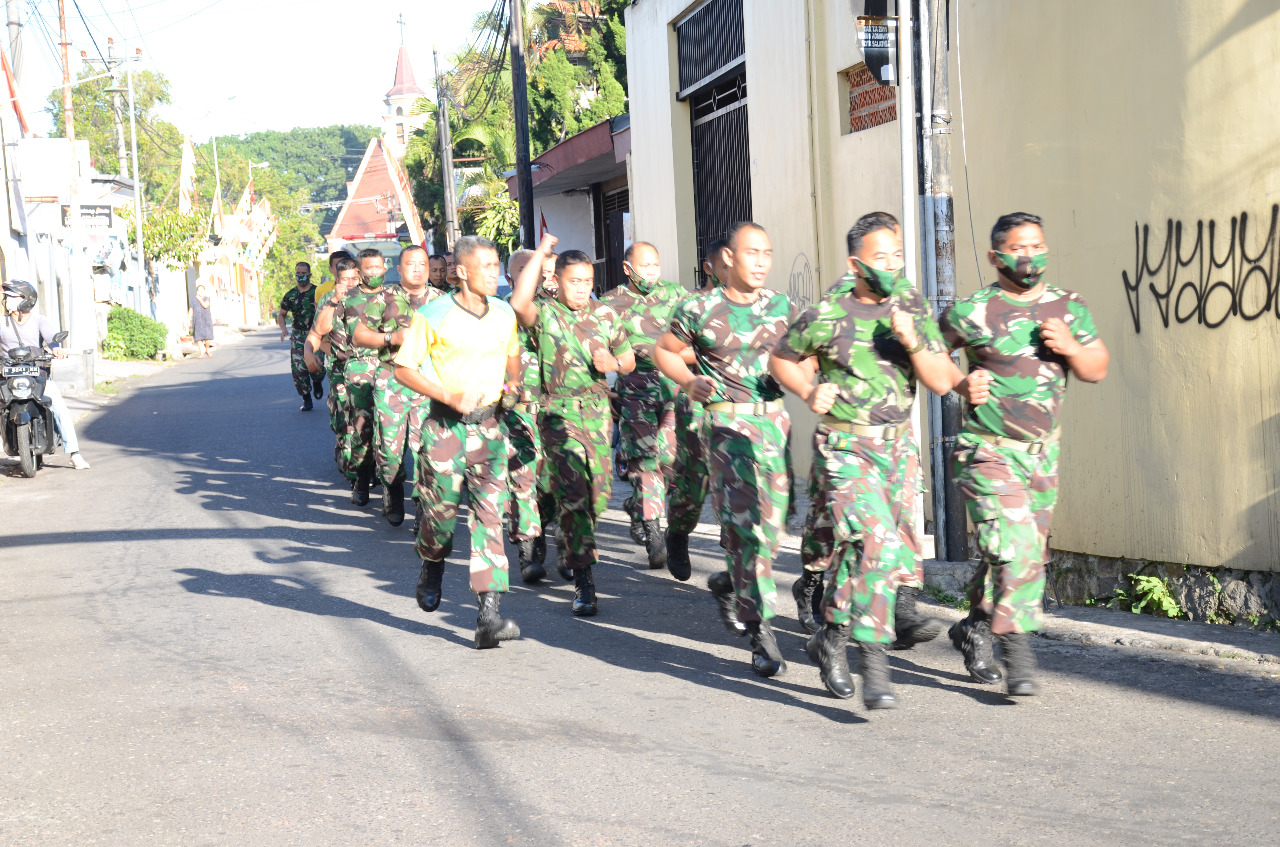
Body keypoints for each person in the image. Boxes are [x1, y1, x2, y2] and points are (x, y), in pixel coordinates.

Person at [771, 212, 984, 709]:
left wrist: (913, 341)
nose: (891, 265)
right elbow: (781, 357)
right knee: (879, 545)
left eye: (897, 255)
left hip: (897, 448)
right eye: (880, 257)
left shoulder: (909, 301)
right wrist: (807, 388)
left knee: (868, 554)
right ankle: (875, 665)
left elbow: (936, 377)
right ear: (855, 263)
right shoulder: (829, 311)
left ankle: (831, 638)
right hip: (845, 446)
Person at [940, 212, 1108, 696]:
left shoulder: (1067, 306)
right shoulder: (972, 312)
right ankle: (1017, 650)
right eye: (1019, 247)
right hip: (988, 451)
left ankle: (974, 626)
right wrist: (959, 381)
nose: (1030, 255)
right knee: (1013, 547)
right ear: (996, 257)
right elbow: (929, 353)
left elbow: (1097, 367)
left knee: (1018, 554)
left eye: (1037, 245)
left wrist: (1072, 347)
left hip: (1041, 456)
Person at [654, 222, 793, 678]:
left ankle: (729, 582)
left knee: (770, 533)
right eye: (752, 253)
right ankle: (761, 635)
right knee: (747, 529)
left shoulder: (781, 306)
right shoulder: (699, 307)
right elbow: (665, 352)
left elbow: (804, 355)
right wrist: (689, 380)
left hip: (773, 424)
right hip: (727, 426)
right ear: (728, 258)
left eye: (767, 253)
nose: (760, 262)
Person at [393, 235, 523, 649]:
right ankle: (432, 564)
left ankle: (489, 612)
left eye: (496, 265)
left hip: (489, 431)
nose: (494, 272)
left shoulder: (504, 313)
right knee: (439, 519)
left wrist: (513, 388)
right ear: (462, 272)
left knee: (490, 518)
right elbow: (403, 369)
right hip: (445, 430)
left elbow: (513, 360)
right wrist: (448, 396)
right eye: (485, 266)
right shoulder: (434, 314)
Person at [510, 235, 635, 617]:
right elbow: (518, 302)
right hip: (557, 412)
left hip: (597, 411)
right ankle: (584, 581)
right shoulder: (544, 313)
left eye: (587, 281)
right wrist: (542, 253)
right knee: (577, 493)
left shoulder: (606, 315)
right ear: (557, 281)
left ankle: (548, 513)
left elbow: (628, 360)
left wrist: (610, 365)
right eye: (574, 281)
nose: (582, 288)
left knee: (598, 494)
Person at [602, 242, 686, 572]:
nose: (651, 272)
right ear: (627, 268)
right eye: (644, 266)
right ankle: (654, 535)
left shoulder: (676, 295)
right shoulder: (610, 303)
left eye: (655, 265)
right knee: (646, 461)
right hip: (634, 390)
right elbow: (597, 345)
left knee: (669, 460)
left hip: (672, 386)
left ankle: (639, 505)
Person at [353, 245, 442, 527]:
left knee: (424, 450)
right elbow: (360, 335)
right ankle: (392, 489)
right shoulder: (383, 298)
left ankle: (422, 509)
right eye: (411, 264)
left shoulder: (442, 300)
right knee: (391, 451)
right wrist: (392, 338)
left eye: (423, 264)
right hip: (392, 379)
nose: (417, 268)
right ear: (399, 269)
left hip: (427, 381)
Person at [665, 238, 730, 583]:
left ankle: (733, 542)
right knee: (692, 482)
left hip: (737, 406)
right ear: (709, 267)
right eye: (723, 266)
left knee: (734, 479)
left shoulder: (750, 305)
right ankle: (678, 533)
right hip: (696, 403)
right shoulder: (692, 304)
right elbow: (674, 350)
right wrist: (715, 350)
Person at [502, 248, 557, 583]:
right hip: (517, 409)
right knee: (522, 478)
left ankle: (541, 527)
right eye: (526, 270)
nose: (535, 276)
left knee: (550, 482)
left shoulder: (558, 311)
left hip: (555, 410)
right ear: (510, 277)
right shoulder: (498, 311)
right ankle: (527, 550)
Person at [0, 280, 89, 469]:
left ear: (25, 300)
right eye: (6, 297)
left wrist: (57, 349)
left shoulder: (39, 320)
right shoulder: (2, 322)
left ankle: (74, 453)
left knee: (59, 407)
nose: (7, 300)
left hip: (36, 375)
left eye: (11, 297)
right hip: (8, 377)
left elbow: (51, 339)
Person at [331, 249, 387, 503]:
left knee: (391, 435)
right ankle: (361, 481)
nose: (373, 272)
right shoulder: (346, 299)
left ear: (385, 268)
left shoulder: (396, 296)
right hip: (358, 372)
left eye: (378, 267)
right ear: (360, 271)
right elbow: (322, 331)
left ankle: (392, 492)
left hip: (393, 371)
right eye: (368, 268)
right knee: (362, 430)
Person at [306, 257, 363, 482]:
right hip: (340, 369)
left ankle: (367, 466)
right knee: (343, 420)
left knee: (368, 419)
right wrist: (309, 353)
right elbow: (318, 332)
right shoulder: (329, 301)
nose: (349, 283)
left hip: (371, 370)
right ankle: (347, 455)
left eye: (354, 278)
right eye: (344, 279)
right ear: (336, 280)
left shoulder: (374, 298)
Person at [278, 261, 324, 410]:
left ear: (309, 275)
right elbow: (281, 315)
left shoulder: (318, 292)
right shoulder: (290, 295)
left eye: (303, 274)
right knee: (299, 370)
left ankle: (317, 381)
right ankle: (306, 399)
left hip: (316, 335)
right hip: (298, 336)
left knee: (317, 366)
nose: (301, 277)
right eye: (298, 274)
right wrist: (283, 329)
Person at [189, 284, 214, 358]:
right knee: (198, 337)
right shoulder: (193, 301)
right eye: (198, 290)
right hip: (197, 321)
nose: (200, 292)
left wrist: (199, 299)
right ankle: (202, 353)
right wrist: (188, 320)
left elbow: (205, 305)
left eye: (201, 290)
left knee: (207, 337)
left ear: (204, 291)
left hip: (206, 320)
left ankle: (207, 349)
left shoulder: (207, 298)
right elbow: (191, 310)